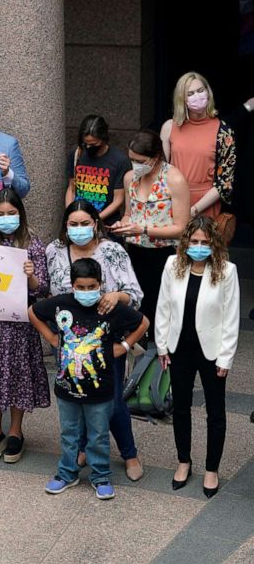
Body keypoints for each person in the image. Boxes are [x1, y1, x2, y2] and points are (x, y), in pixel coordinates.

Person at [30, 258, 148, 501]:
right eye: (81, 287)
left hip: (101, 390)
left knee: (98, 435)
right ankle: (67, 473)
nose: (86, 292)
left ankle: (100, 476)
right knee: (69, 433)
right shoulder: (61, 304)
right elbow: (32, 312)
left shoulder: (109, 307)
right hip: (67, 387)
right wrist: (52, 339)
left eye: (92, 287)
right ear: (72, 285)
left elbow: (143, 322)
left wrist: (123, 346)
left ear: (100, 284)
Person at [45, 200, 145, 480]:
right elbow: (44, 290)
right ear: (66, 226)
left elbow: (135, 295)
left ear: (96, 223)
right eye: (73, 224)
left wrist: (117, 296)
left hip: (105, 343)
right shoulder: (54, 251)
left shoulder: (112, 251)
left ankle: (129, 453)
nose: (79, 229)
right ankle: (81, 449)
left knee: (110, 401)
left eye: (85, 223)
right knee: (75, 399)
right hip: (69, 344)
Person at [155, 216, 239, 498]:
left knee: (215, 412)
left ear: (213, 244)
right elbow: (163, 307)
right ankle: (183, 460)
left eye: (205, 242)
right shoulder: (173, 265)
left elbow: (231, 318)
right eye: (194, 242)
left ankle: (212, 468)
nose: (199, 247)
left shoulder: (227, 271)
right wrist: (162, 346)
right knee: (180, 407)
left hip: (212, 352)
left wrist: (225, 358)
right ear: (186, 242)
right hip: (180, 347)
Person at [0, 189, 50, 464]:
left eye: (11, 213)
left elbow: (43, 289)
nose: (6, 218)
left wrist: (30, 278)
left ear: (21, 213)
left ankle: (16, 431)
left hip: (20, 323)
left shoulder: (32, 243)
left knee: (19, 374)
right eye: (0, 214)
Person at [111, 130, 189, 339]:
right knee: (138, 306)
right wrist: (123, 224)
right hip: (136, 251)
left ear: (155, 158)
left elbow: (182, 227)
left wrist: (144, 229)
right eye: (131, 160)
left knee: (162, 307)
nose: (135, 165)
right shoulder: (130, 178)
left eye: (140, 160)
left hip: (164, 253)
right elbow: (129, 213)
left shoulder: (173, 178)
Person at [160, 72, 236, 220]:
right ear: (182, 99)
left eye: (200, 90)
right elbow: (161, 172)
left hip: (205, 204)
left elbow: (225, 183)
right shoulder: (169, 127)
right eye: (190, 93)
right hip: (172, 201)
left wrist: (193, 210)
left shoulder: (224, 132)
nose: (197, 96)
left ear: (208, 92)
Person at [64, 115, 131, 225]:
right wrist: (70, 214)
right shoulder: (76, 153)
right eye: (85, 144)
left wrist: (95, 219)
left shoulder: (120, 160)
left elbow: (118, 200)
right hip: (78, 221)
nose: (88, 147)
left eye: (93, 144)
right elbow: (71, 188)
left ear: (104, 139)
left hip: (106, 223)